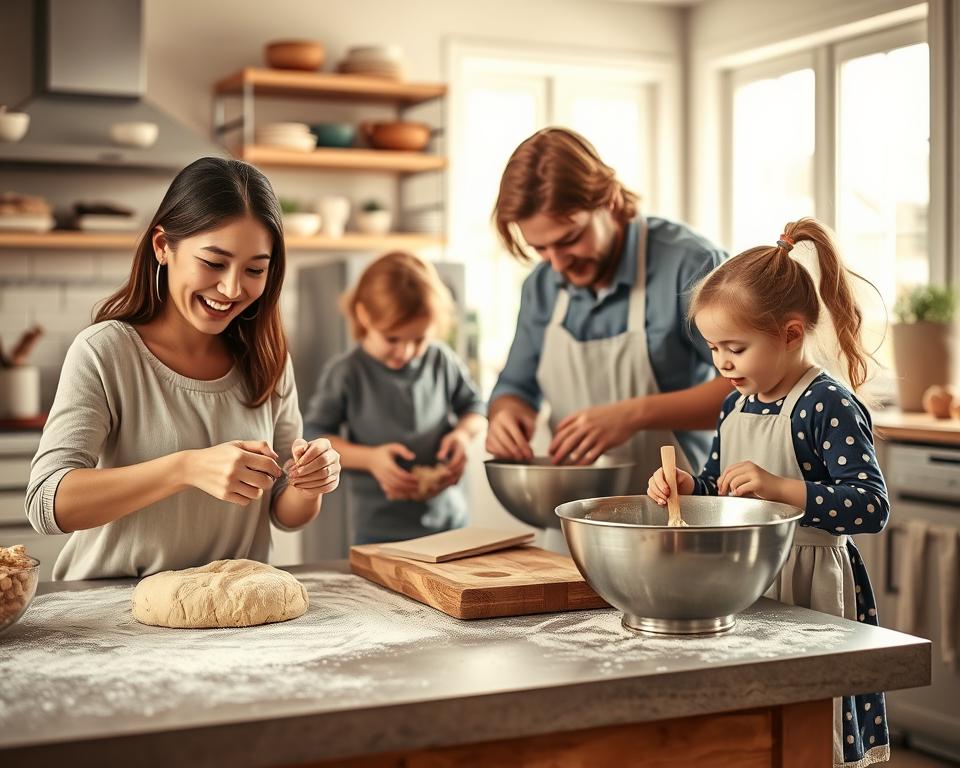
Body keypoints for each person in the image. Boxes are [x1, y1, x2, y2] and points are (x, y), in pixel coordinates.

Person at [647, 218, 891, 767]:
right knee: (754, 732)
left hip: (811, 582)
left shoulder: (827, 404)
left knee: (811, 726)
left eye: (735, 347)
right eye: (713, 348)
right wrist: (689, 486)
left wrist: (781, 490)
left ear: (791, 333)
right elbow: (720, 483)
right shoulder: (735, 403)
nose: (722, 363)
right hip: (745, 578)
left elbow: (870, 504)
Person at [25, 157, 341, 581]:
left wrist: (309, 483)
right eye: (213, 262)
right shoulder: (105, 351)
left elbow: (285, 511)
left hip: (232, 611)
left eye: (254, 270)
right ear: (162, 246)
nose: (232, 288)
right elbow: (47, 503)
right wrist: (186, 468)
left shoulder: (267, 358)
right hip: (108, 614)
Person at [486, 127, 731, 492]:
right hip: (573, 519)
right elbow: (515, 388)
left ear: (611, 200)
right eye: (540, 249)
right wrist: (507, 415)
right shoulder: (541, 286)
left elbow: (755, 391)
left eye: (569, 239)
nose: (556, 265)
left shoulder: (691, 265)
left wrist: (634, 414)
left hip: (680, 515)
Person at [303, 251, 486, 545]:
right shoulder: (347, 372)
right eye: (392, 339)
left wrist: (463, 436)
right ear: (364, 315)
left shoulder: (441, 360)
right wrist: (371, 459)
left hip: (451, 525)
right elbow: (316, 437)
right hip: (379, 533)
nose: (405, 352)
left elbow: (476, 407)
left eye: (419, 339)